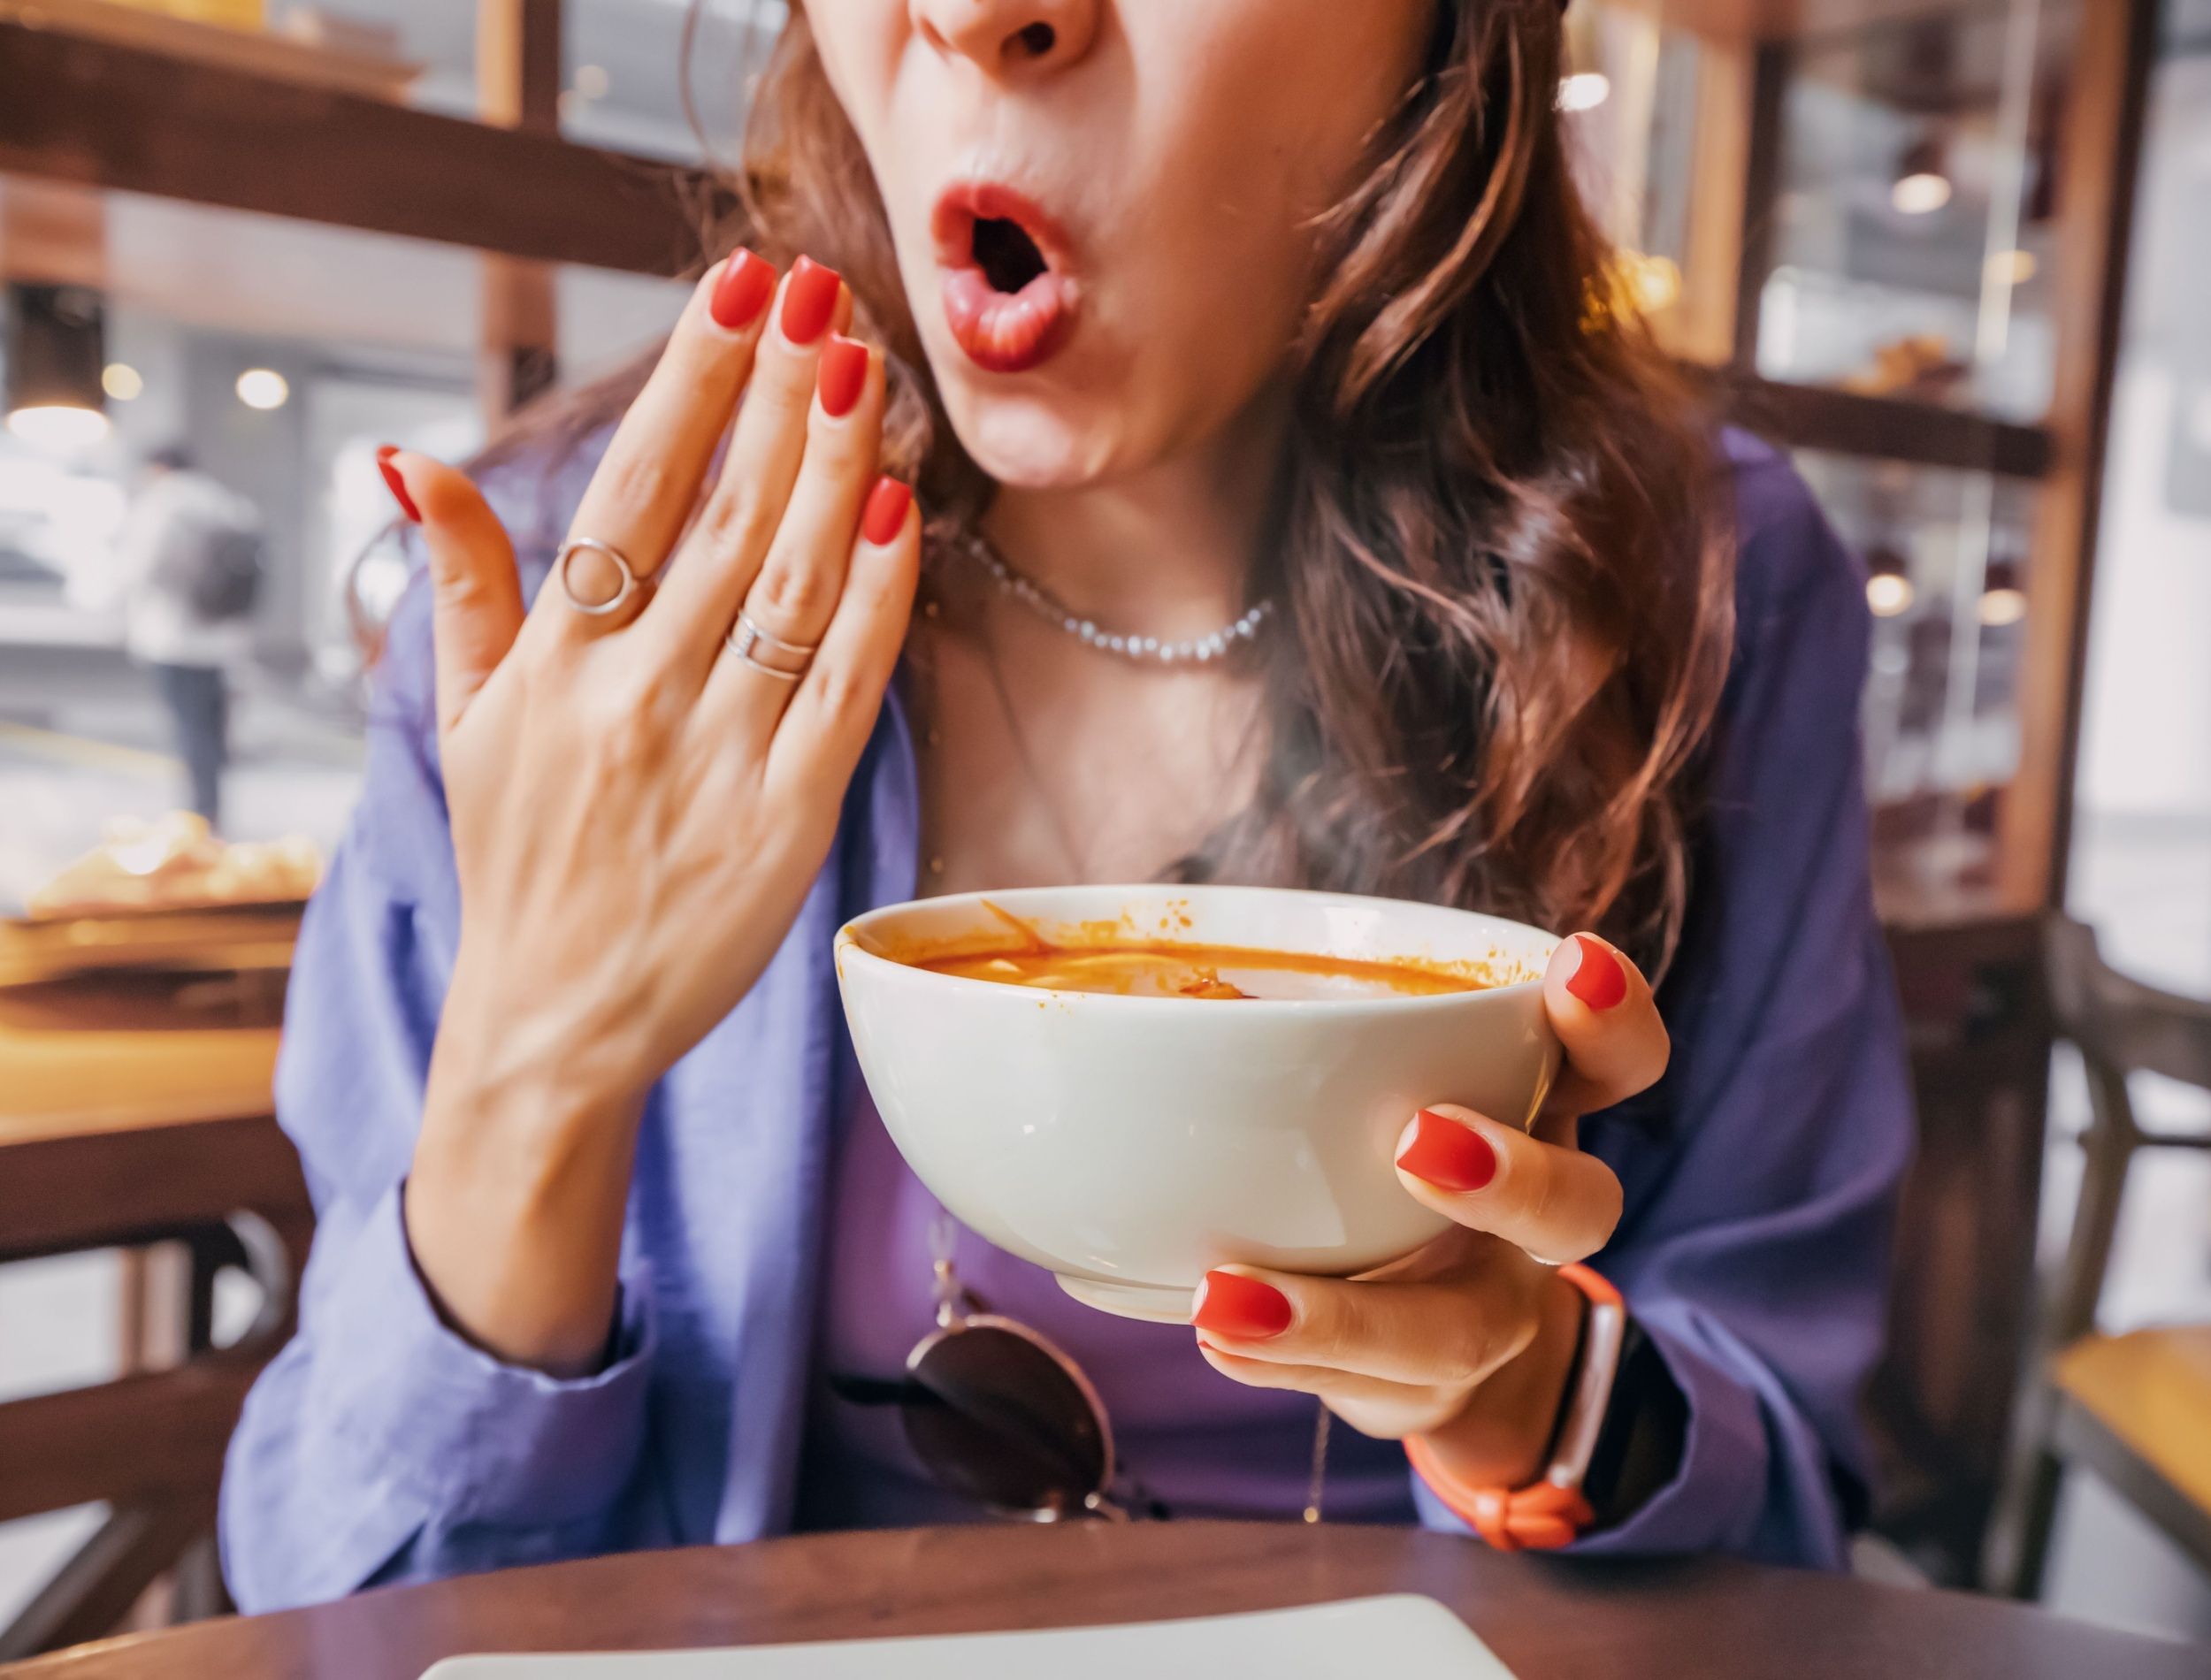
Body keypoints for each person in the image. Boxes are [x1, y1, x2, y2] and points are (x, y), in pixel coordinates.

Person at [221, 0, 1911, 1609]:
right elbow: (346, 1596)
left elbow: (1783, 1525)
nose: (974, 14)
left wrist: (1539, 1395)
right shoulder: (580, 620)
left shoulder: (1698, 593)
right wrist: (535, 1070)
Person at [111, 445, 261, 830]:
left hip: (174, 638)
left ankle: (197, 816)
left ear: (159, 467)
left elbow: (142, 568)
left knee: (190, 730)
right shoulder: (228, 504)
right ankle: (210, 811)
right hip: (224, 640)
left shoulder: (164, 504)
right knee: (212, 730)